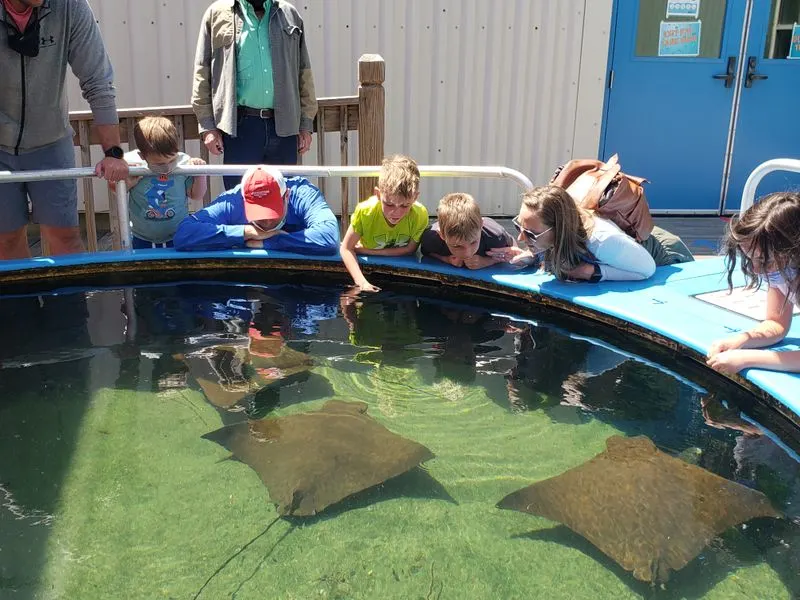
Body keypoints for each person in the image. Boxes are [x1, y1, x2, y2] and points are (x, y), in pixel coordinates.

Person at [0, 0, 128, 260]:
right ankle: (20, 302)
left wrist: (113, 152)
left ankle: (71, 301)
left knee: (66, 237)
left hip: (51, 142)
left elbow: (98, 81)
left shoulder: (71, 7)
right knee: (6, 239)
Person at [192, 0, 317, 190]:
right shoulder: (216, 14)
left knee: (283, 197)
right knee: (240, 197)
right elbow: (202, 73)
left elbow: (304, 72)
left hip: (284, 128)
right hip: (240, 128)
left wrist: (306, 123)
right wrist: (208, 127)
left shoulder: (290, 14)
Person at [706, 192, 800, 375]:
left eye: (764, 260)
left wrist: (747, 359)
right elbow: (776, 323)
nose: (756, 269)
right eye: (750, 259)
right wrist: (741, 341)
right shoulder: (783, 270)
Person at [492, 185, 657, 282]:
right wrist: (528, 255)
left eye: (531, 234)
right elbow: (550, 246)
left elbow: (648, 270)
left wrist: (594, 272)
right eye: (518, 226)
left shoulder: (601, 241)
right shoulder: (560, 229)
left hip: (658, 252)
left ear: (559, 229)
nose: (521, 237)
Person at [173, 164, 338, 254]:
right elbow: (184, 234)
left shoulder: (304, 194)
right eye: (259, 212)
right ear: (243, 200)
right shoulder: (232, 200)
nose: (266, 221)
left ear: (286, 196)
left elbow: (329, 237)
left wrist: (270, 240)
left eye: (271, 211)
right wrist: (246, 232)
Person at [113, 117, 208, 249]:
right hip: (141, 236)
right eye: (159, 164)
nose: (167, 168)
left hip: (178, 233)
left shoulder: (184, 162)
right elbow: (114, 188)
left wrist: (200, 174)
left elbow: (196, 195)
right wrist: (128, 181)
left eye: (171, 160)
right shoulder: (133, 164)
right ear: (142, 156)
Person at [340, 155, 428, 292]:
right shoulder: (365, 212)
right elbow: (346, 248)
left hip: (401, 278)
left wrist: (365, 251)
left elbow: (410, 250)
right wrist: (361, 283)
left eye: (405, 206)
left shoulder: (420, 215)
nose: (396, 212)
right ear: (378, 194)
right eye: (389, 204)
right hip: (367, 269)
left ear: (415, 197)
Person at [420, 192, 516, 269]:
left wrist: (487, 261)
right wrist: (446, 259)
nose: (467, 253)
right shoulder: (431, 238)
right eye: (457, 246)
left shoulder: (495, 235)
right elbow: (426, 251)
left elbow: (513, 249)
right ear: (441, 235)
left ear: (481, 226)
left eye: (473, 242)